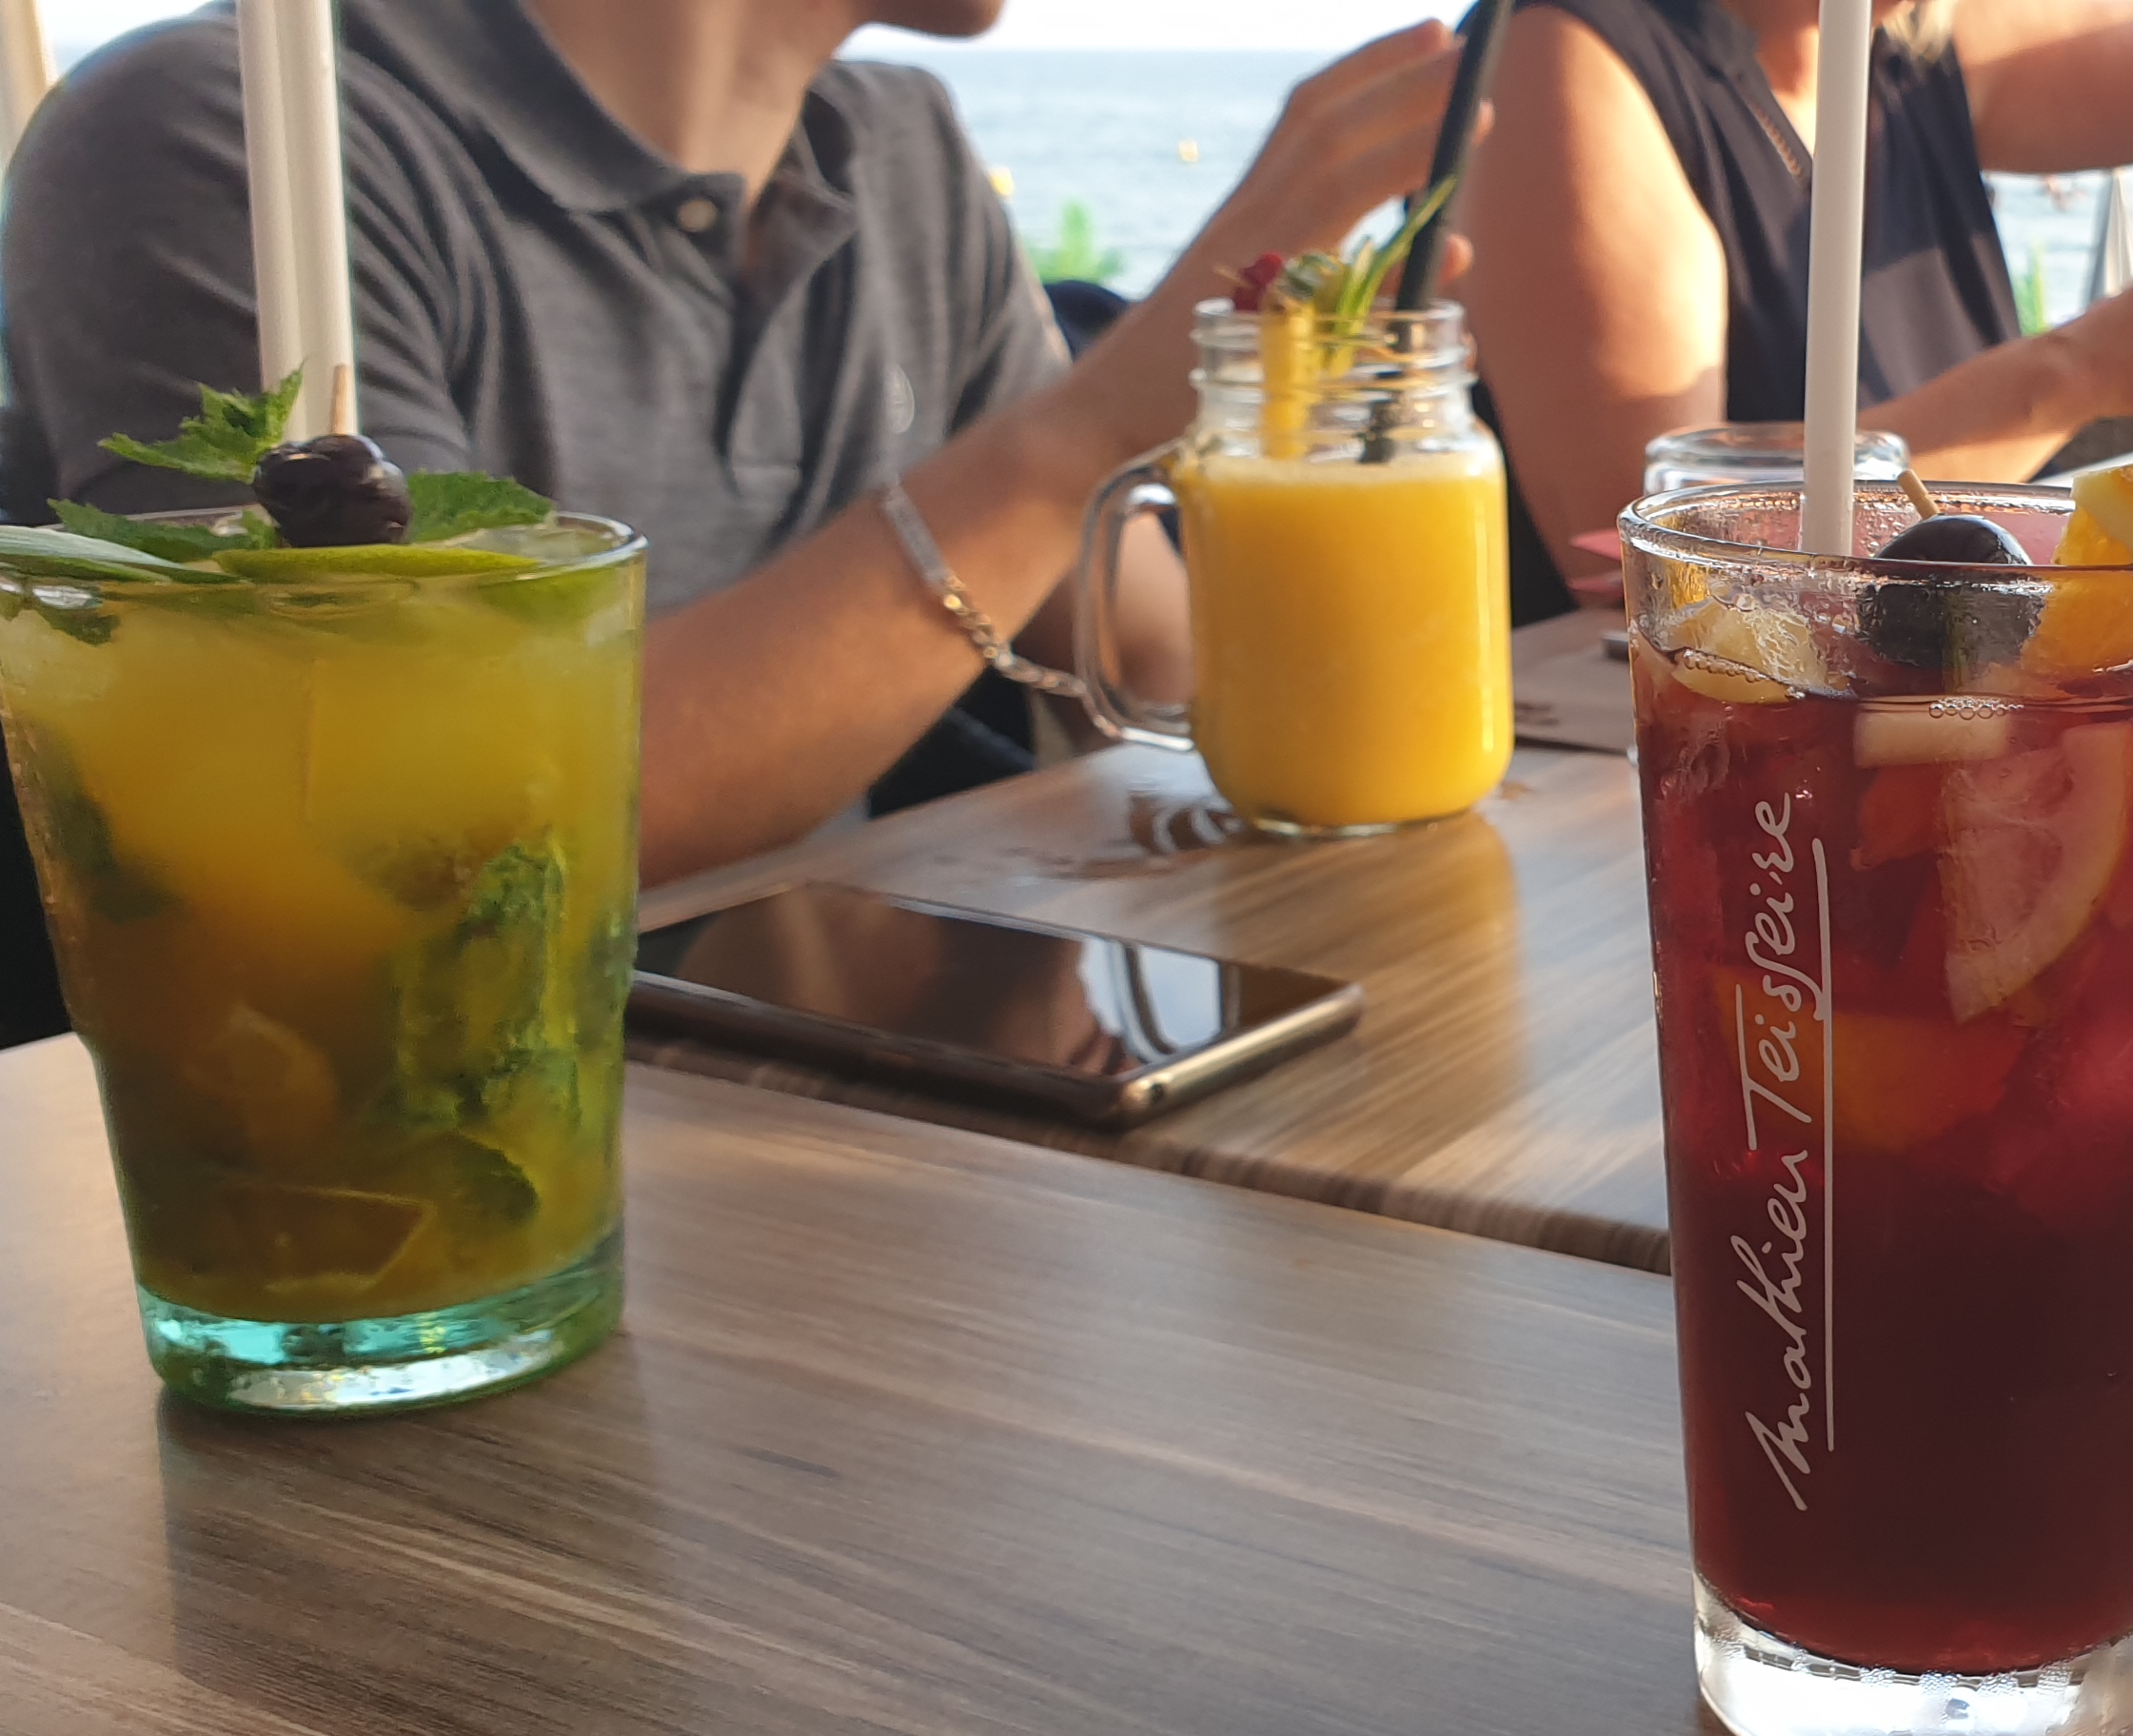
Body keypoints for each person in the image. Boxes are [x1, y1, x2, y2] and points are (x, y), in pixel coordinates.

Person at [0, 0, 1466, 1047]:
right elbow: (435, 832)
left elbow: (1156, 657)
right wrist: (1082, 430)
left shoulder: (900, 155)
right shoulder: (237, 135)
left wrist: (1333, 441)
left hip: (834, 1112)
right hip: (423, 1168)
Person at [1459, 0, 2133, 621]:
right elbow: (1647, 569)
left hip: (1947, 695)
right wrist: (2078, 370)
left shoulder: (1905, 42)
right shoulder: (1564, 60)